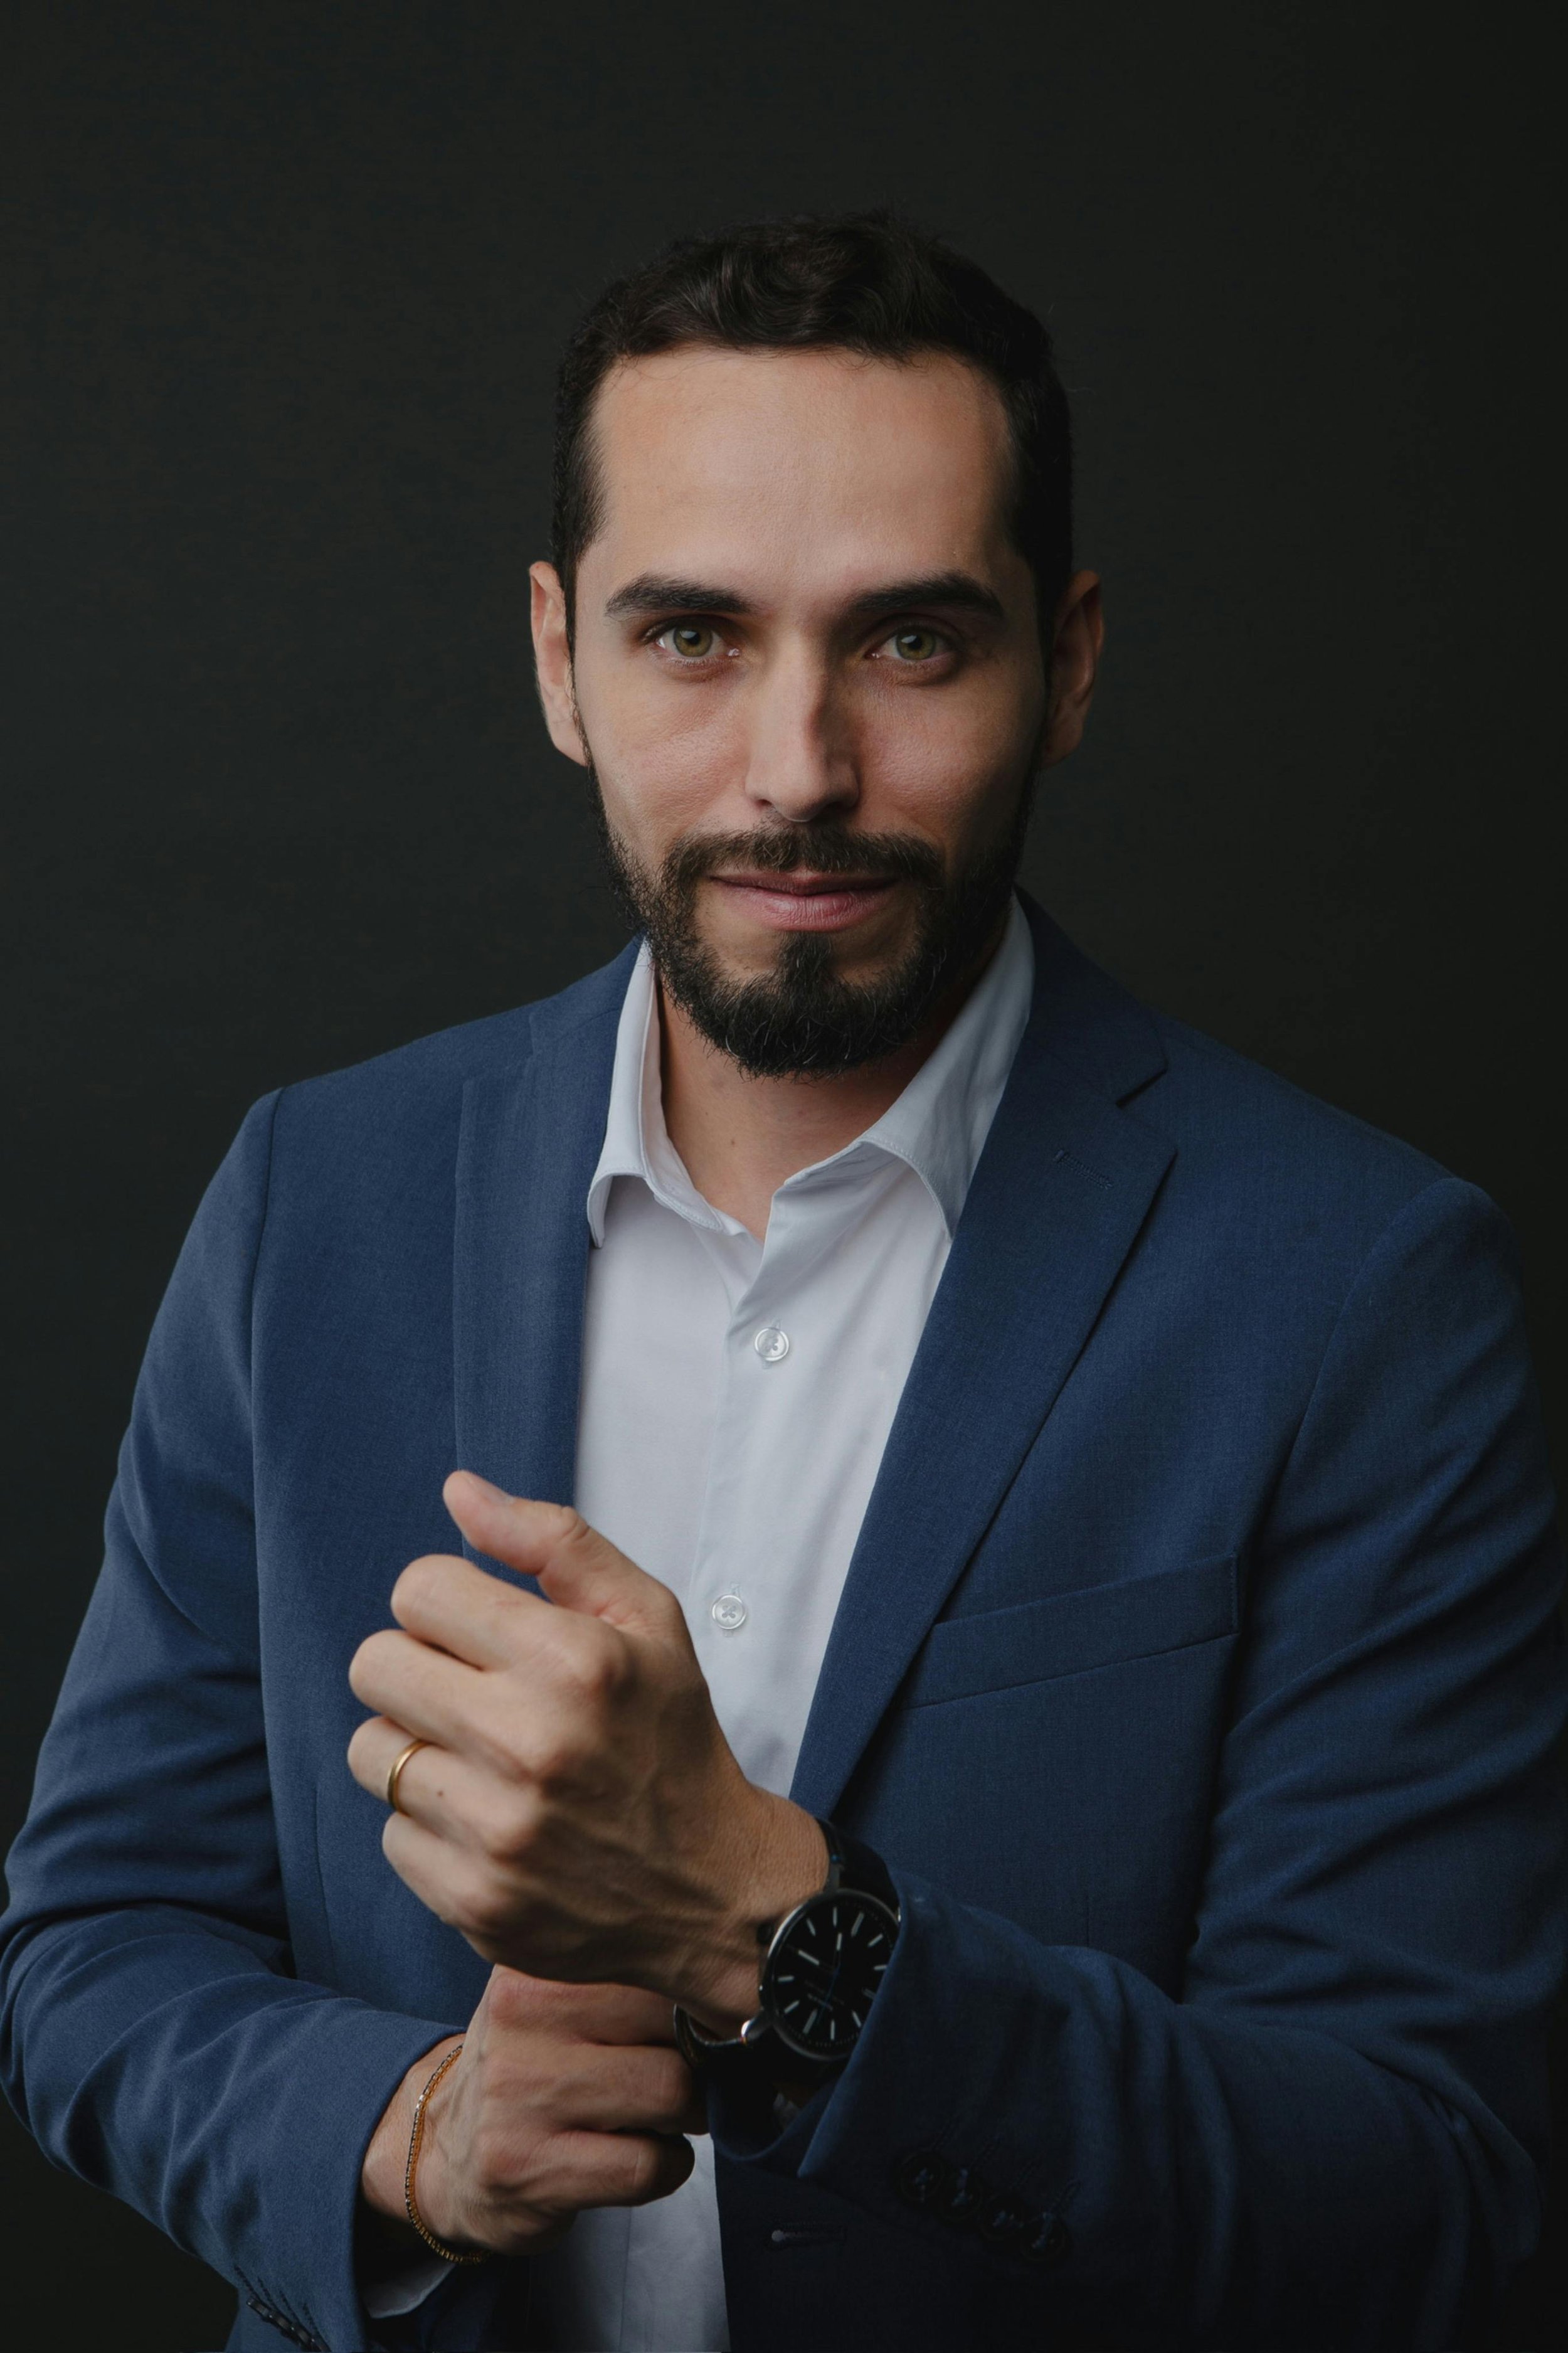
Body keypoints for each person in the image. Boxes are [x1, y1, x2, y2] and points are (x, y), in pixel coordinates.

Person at [2, 212, 1563, 2353]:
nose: (798, 769)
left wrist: (777, 1933)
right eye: (692, 638)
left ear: (1070, 660)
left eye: (912, 642)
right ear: (558, 659)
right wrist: (413, 2134)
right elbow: (92, 1946)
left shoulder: (1357, 1289)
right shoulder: (316, 1200)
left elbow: (1418, 2186)